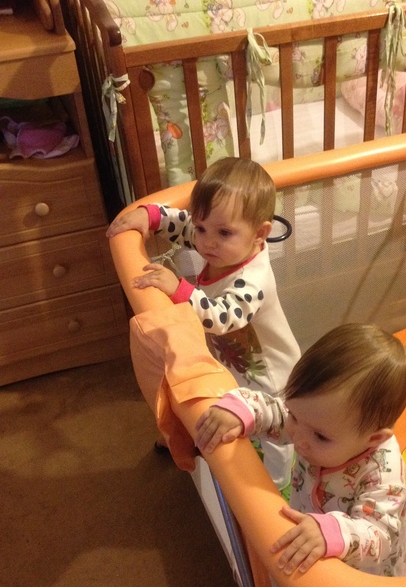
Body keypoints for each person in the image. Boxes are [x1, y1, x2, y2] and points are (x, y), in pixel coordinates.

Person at [195, 322, 406, 587]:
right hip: (315, 542)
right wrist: (240, 410)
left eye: (320, 437)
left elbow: (380, 534)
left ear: (373, 439)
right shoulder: (313, 422)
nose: (298, 438)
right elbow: (276, 412)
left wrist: (332, 530)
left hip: (373, 574)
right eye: (297, 417)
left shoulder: (383, 470)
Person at [106, 157, 300, 491]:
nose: (207, 242)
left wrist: (178, 289)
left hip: (272, 379)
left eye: (223, 232)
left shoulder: (254, 280)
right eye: (202, 228)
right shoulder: (222, 244)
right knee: (234, 411)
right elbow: (184, 225)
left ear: (260, 234)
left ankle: (278, 485)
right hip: (238, 365)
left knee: (273, 430)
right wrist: (150, 216)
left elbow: (222, 317)